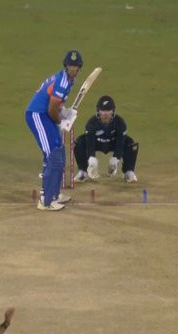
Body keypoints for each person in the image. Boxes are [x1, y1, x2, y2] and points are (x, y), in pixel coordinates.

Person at [25, 50, 84, 212]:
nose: (73, 68)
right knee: (52, 154)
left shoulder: (69, 80)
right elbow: (51, 109)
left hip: (45, 114)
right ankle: (46, 201)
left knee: (58, 151)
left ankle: (54, 194)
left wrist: (64, 111)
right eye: (70, 65)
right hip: (37, 115)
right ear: (66, 66)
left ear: (79, 67)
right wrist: (61, 121)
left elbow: (57, 104)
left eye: (75, 66)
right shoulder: (63, 82)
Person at [73, 95, 139, 183]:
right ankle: (83, 172)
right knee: (79, 142)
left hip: (113, 143)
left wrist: (115, 159)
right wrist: (91, 159)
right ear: (98, 111)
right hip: (97, 142)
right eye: (103, 110)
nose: (105, 114)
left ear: (113, 111)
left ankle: (128, 172)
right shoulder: (91, 123)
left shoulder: (120, 123)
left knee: (131, 144)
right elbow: (89, 143)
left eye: (108, 111)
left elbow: (120, 143)